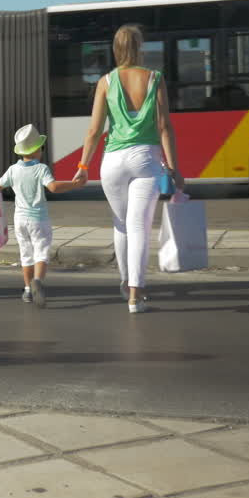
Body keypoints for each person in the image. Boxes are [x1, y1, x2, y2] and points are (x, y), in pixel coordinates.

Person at [74, 24, 183, 314]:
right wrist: (174, 168)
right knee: (139, 227)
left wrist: (83, 165)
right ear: (140, 48)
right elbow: (164, 127)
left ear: (115, 49)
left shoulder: (106, 82)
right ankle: (136, 293)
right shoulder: (155, 79)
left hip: (112, 162)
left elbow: (94, 130)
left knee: (121, 224)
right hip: (145, 158)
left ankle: (124, 283)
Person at [0, 123, 84, 308]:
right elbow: (52, 187)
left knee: (26, 255)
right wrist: (75, 184)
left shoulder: (13, 169)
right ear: (37, 150)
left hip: (20, 220)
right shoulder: (41, 168)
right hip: (39, 219)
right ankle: (38, 280)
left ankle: (28, 290)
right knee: (41, 253)